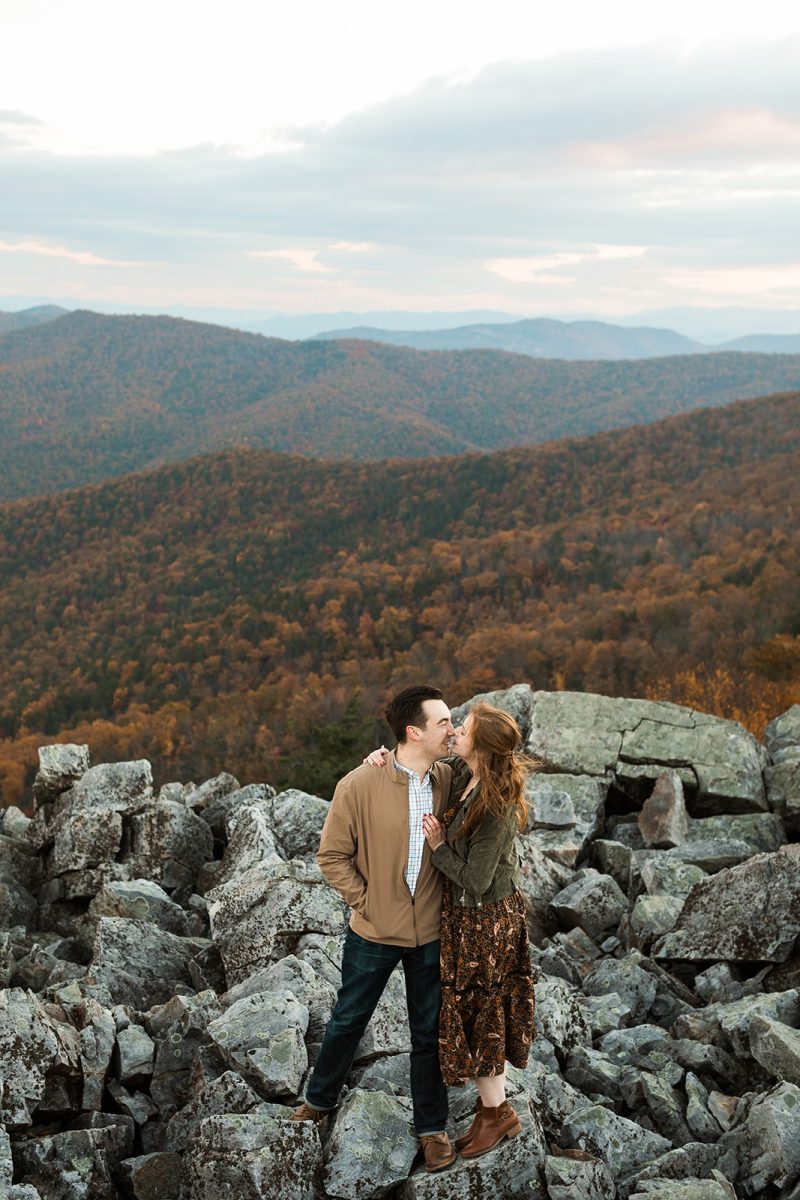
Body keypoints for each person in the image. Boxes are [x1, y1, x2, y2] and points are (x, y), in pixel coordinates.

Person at [290, 684, 458, 1174]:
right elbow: (331, 856)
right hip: (372, 931)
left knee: (429, 1033)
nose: (452, 729)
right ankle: (318, 1103)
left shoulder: (450, 779)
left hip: (431, 932)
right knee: (348, 1020)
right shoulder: (359, 784)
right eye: (444, 722)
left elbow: (493, 758)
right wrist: (367, 901)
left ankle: (433, 1127)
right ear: (413, 731)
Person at [366, 701, 536, 1158]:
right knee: (475, 1013)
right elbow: (417, 762)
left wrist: (437, 846)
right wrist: (380, 759)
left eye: (465, 728)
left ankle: (497, 1114)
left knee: (484, 1015)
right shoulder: (467, 777)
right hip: (466, 921)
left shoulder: (496, 802)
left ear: (480, 747)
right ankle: (492, 1112)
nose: (455, 730)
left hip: (487, 923)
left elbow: (477, 878)